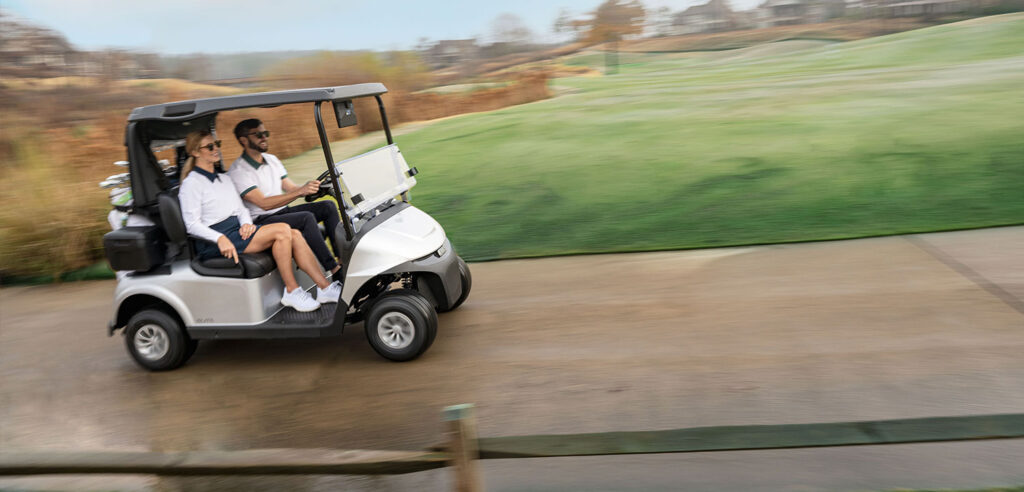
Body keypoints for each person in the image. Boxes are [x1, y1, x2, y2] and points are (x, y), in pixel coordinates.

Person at [178, 130, 341, 313]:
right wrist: (219, 239)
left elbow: (241, 209)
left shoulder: (224, 178)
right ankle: (292, 291)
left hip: (236, 230)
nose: (216, 149)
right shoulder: (191, 184)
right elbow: (191, 225)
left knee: (294, 234)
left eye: (217, 144)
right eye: (210, 146)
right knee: (283, 230)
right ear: (195, 152)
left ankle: (325, 288)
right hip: (215, 240)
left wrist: (246, 223)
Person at [227, 118, 343, 278]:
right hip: (262, 220)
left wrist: (311, 188)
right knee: (306, 218)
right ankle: (335, 270)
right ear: (243, 140)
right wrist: (299, 192)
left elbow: (291, 188)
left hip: (282, 211)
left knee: (328, 206)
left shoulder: (272, 160)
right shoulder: (238, 171)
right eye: (258, 135)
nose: (264, 137)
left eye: (265, 133)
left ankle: (343, 260)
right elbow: (263, 204)